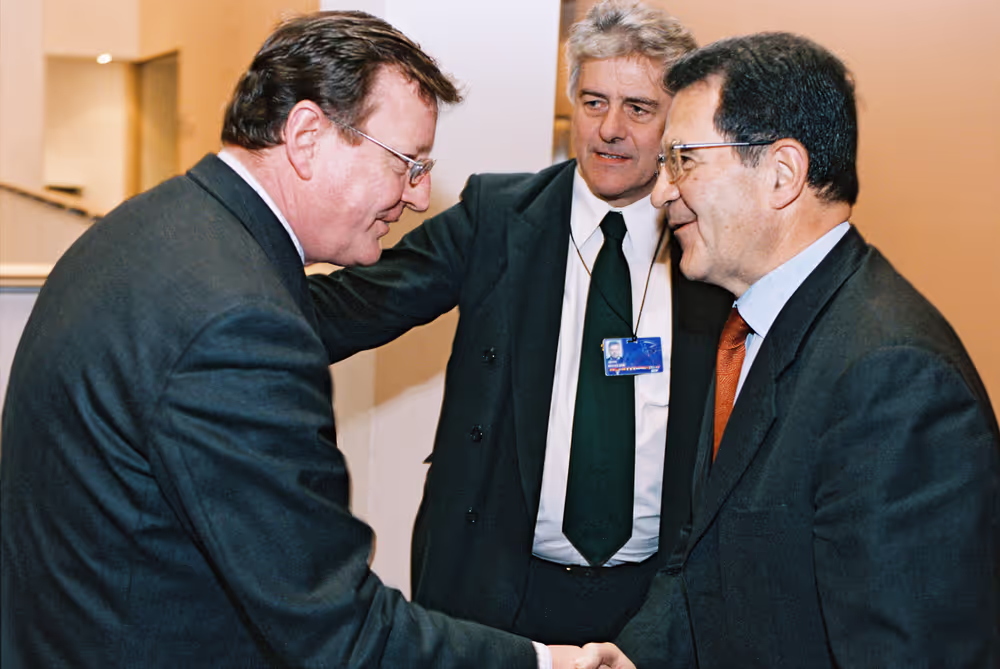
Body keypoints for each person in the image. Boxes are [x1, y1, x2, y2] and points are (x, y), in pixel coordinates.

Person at [0, 11, 587, 668]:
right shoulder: (241, 322)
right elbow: (337, 626)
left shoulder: (153, 226)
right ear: (308, 135)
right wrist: (545, 661)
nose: (418, 197)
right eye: (407, 163)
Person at [308, 0, 732, 645]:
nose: (610, 129)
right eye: (593, 102)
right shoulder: (498, 218)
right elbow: (349, 308)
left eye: (638, 109)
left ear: (676, 123)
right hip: (498, 590)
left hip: (655, 603)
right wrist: (222, 283)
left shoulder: (715, 244)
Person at [583, 31, 1000, 668]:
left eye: (684, 159)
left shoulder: (895, 378)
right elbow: (705, 554)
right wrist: (635, 657)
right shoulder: (747, 330)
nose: (662, 191)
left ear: (781, 174)